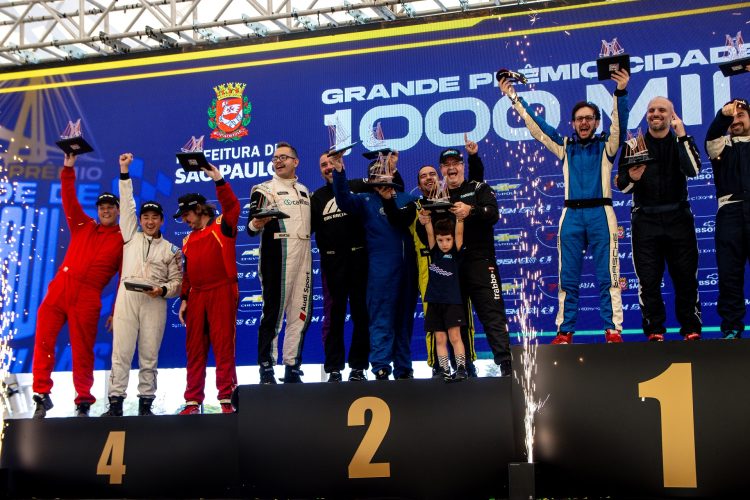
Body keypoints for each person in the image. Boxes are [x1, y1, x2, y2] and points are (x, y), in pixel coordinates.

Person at [499, 69, 630, 344]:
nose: (584, 122)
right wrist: (513, 96)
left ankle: (613, 329)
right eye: (579, 119)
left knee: (608, 275)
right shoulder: (565, 146)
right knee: (566, 277)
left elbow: (620, 124)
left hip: (601, 213)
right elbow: (538, 127)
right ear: (573, 123)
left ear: (596, 122)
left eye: (589, 118)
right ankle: (564, 331)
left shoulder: (607, 146)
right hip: (570, 214)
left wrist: (620, 92)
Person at [31, 153, 123, 418]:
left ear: (118, 210)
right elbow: (69, 198)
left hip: (88, 296)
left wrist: (116, 310)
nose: (106, 211)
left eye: (110, 207)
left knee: (82, 350)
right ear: (98, 210)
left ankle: (83, 400)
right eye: (102, 207)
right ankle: (41, 394)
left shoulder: (122, 239)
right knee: (43, 340)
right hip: (60, 288)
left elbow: (123, 279)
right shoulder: (83, 225)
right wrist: (68, 167)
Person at [383, 135, 483, 376]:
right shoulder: (415, 206)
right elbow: (395, 214)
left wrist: (473, 158)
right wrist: (390, 181)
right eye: (423, 176)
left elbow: (476, 185)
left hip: (455, 268)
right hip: (428, 267)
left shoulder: (451, 200)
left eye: (431, 174)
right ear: (418, 184)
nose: (428, 178)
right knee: (434, 320)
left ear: (438, 178)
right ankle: (438, 365)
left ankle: (465, 364)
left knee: (461, 317)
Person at [102, 153, 183, 417]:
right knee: (121, 352)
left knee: (149, 354)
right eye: (145, 217)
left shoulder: (171, 249)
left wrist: (162, 290)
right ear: (140, 220)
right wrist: (124, 171)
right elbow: (127, 204)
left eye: (154, 218)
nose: (149, 221)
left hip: (153, 301)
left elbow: (178, 283)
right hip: (127, 299)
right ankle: (115, 403)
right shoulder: (130, 236)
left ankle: (146, 405)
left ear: (161, 221)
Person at [616, 97, 702, 341]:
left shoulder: (681, 140)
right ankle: (654, 330)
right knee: (648, 279)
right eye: (651, 110)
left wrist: (682, 135)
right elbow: (623, 186)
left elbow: (694, 170)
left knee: (686, 277)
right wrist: (633, 178)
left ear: (672, 115)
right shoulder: (634, 144)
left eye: (662, 110)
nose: (656, 113)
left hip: (679, 219)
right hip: (645, 220)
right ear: (646, 115)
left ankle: (691, 329)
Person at [331, 153, 418, 380]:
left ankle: (403, 367)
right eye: (375, 175)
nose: (380, 177)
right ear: (370, 179)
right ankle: (380, 365)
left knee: (404, 319)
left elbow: (407, 222)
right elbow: (343, 200)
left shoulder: (408, 199)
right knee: (381, 317)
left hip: (408, 270)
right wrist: (339, 171)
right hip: (381, 268)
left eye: (384, 172)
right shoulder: (365, 200)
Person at [438, 148, 511, 375]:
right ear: (442, 169)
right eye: (446, 164)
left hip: (480, 261)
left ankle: (507, 364)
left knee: (492, 313)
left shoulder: (479, 188)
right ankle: (463, 367)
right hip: (451, 266)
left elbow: (493, 214)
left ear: (462, 166)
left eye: (456, 163)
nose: (451, 168)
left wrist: (471, 210)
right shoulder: (437, 196)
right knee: (455, 320)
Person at [175, 163, 240, 414]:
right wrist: (184, 299)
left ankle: (226, 399)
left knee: (223, 346)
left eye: (186, 215)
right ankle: (192, 401)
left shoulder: (222, 226)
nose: (184, 220)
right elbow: (187, 274)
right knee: (194, 349)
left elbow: (233, 207)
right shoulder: (187, 240)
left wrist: (218, 179)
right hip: (196, 295)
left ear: (198, 209)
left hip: (222, 290)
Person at [247, 142, 312, 384]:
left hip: (304, 254)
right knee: (273, 313)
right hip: (277, 256)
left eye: (284, 157)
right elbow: (250, 227)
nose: (278, 161)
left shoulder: (304, 191)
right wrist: (258, 223)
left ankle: (292, 367)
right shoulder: (264, 189)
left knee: (300, 313)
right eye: (275, 158)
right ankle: (266, 367)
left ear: (296, 162)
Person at [310, 152, 369, 382]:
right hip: (332, 263)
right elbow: (305, 229)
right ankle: (333, 368)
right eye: (323, 165)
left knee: (361, 314)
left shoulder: (356, 186)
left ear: (340, 163)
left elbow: (389, 186)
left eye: (331, 163)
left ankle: (358, 367)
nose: (328, 167)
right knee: (334, 317)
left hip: (359, 260)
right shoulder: (317, 197)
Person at [705, 98, 750, 339]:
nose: (736, 121)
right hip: (729, 213)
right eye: (731, 118)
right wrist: (723, 115)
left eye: (741, 115)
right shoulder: (720, 146)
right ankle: (731, 327)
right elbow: (712, 135)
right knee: (729, 274)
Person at [421, 214, 468, 381]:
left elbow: (459, 233)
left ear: (453, 239)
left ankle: (461, 368)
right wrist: (427, 220)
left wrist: (460, 219)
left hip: (452, 302)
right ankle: (444, 370)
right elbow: (429, 233)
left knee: (455, 337)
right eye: (440, 240)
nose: (444, 244)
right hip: (434, 301)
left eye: (448, 239)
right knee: (439, 338)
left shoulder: (456, 252)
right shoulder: (434, 251)